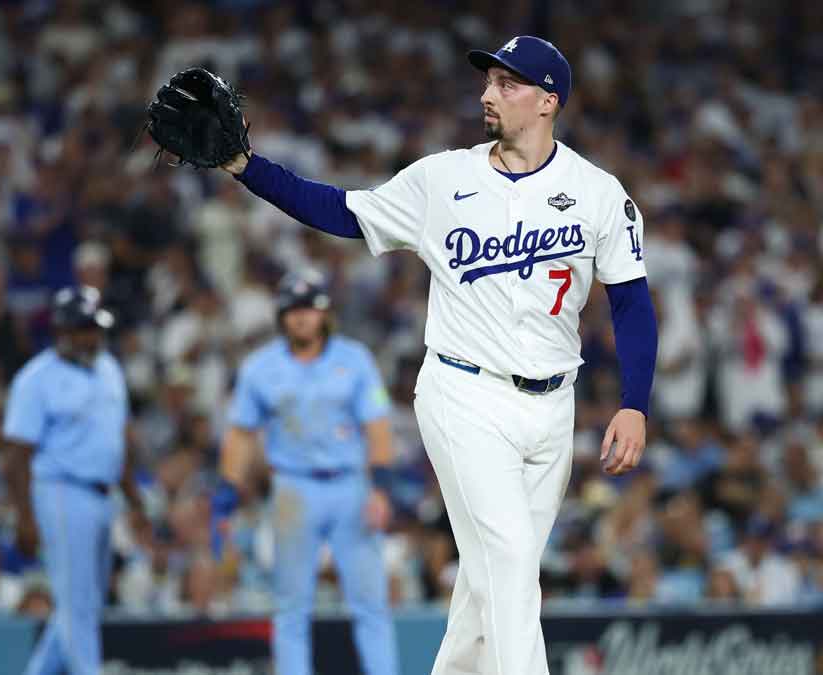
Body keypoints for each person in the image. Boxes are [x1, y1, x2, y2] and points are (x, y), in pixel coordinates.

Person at [218, 35, 658, 675]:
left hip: (553, 406)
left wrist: (634, 404)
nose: (488, 94)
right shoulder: (442, 178)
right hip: (463, 392)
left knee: (489, 587)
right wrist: (245, 167)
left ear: (547, 100)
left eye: (507, 84)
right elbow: (341, 210)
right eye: (488, 82)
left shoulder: (596, 192)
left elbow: (632, 304)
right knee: (508, 563)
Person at [215, 271, 399, 675]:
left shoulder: (354, 359)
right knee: (291, 606)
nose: (300, 318)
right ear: (281, 317)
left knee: (370, 602)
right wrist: (229, 487)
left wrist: (381, 486)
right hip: (293, 488)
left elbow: (378, 426)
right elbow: (242, 433)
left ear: (324, 314)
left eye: (308, 309)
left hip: (350, 485)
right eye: (292, 310)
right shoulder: (261, 367)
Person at [2, 286, 147, 675]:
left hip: (103, 494)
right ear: (61, 331)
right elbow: (16, 457)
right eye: (83, 329)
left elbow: (119, 442)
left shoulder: (109, 369)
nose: (92, 337)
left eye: (95, 328)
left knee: (83, 604)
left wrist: (135, 503)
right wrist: (24, 517)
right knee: (76, 607)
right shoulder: (36, 379)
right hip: (61, 491)